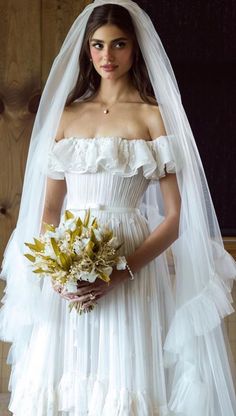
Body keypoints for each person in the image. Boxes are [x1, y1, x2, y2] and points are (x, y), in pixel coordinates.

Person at [0, 1, 235, 415]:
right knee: (65, 380)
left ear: (135, 49)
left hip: (130, 267)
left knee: (125, 382)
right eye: (98, 45)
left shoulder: (152, 117)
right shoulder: (67, 116)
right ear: (87, 51)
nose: (107, 56)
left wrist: (120, 271)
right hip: (69, 266)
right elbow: (50, 211)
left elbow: (175, 217)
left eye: (118, 44)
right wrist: (56, 271)